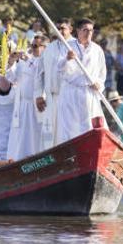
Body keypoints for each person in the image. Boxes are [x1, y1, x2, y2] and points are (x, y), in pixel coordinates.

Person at [56, 18, 106, 144]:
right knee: (70, 128)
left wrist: (99, 84)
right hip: (71, 92)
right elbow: (58, 68)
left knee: (89, 126)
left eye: (91, 30)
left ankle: (89, 153)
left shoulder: (97, 50)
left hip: (89, 93)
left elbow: (102, 73)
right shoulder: (68, 47)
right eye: (85, 30)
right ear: (78, 31)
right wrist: (67, 58)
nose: (88, 33)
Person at [35, 19, 77, 149]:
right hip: (51, 98)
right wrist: (39, 95)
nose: (59, 31)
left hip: (69, 98)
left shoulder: (76, 46)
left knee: (66, 134)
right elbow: (39, 73)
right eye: (57, 28)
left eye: (62, 28)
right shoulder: (50, 48)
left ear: (70, 29)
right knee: (49, 136)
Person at [5, 34, 46, 160]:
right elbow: (12, 78)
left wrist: (27, 59)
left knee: (33, 136)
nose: (32, 48)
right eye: (32, 45)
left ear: (44, 47)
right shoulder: (25, 61)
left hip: (35, 106)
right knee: (19, 135)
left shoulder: (45, 61)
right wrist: (11, 62)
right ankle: (16, 159)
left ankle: (33, 159)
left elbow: (39, 75)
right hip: (22, 104)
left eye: (35, 46)